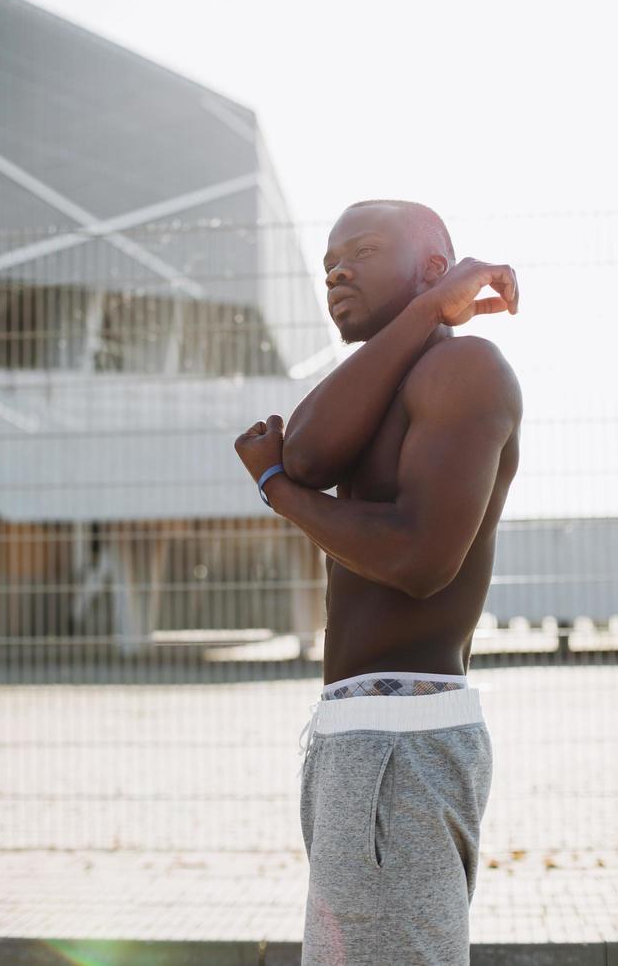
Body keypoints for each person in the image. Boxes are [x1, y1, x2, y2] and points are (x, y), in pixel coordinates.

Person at [234, 199, 522, 965]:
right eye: (329, 262)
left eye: (361, 251)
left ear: (436, 264)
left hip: (404, 742)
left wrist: (282, 497)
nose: (336, 271)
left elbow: (418, 560)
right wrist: (425, 307)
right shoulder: (383, 385)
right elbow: (309, 456)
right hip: (354, 739)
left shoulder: (466, 369)